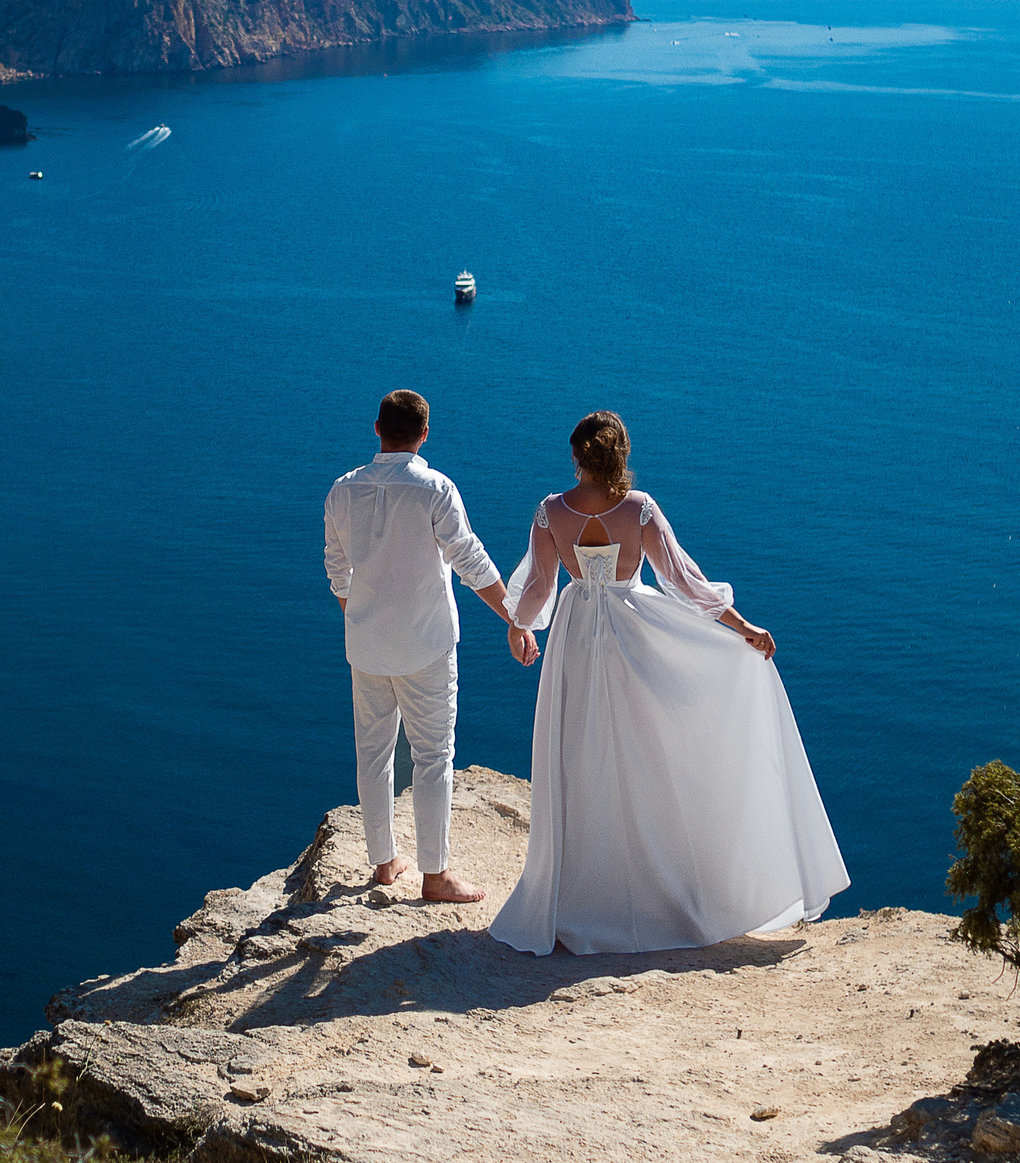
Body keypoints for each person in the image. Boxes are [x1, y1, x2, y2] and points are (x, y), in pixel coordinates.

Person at [488, 410, 848, 955]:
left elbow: (539, 584)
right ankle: (659, 889)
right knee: (647, 752)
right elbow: (681, 579)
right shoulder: (639, 509)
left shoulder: (549, 512)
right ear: (620, 456)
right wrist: (741, 626)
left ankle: (580, 894)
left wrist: (519, 628)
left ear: (576, 456)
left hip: (576, 635)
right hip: (634, 634)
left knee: (580, 756)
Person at [323, 389, 528, 901]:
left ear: (376, 429)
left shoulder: (342, 490)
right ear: (424, 434)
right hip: (426, 645)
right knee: (433, 755)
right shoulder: (435, 489)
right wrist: (515, 619)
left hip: (366, 647)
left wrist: (360, 618)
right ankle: (435, 877)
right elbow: (470, 561)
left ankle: (385, 864)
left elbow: (336, 567)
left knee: (372, 753)